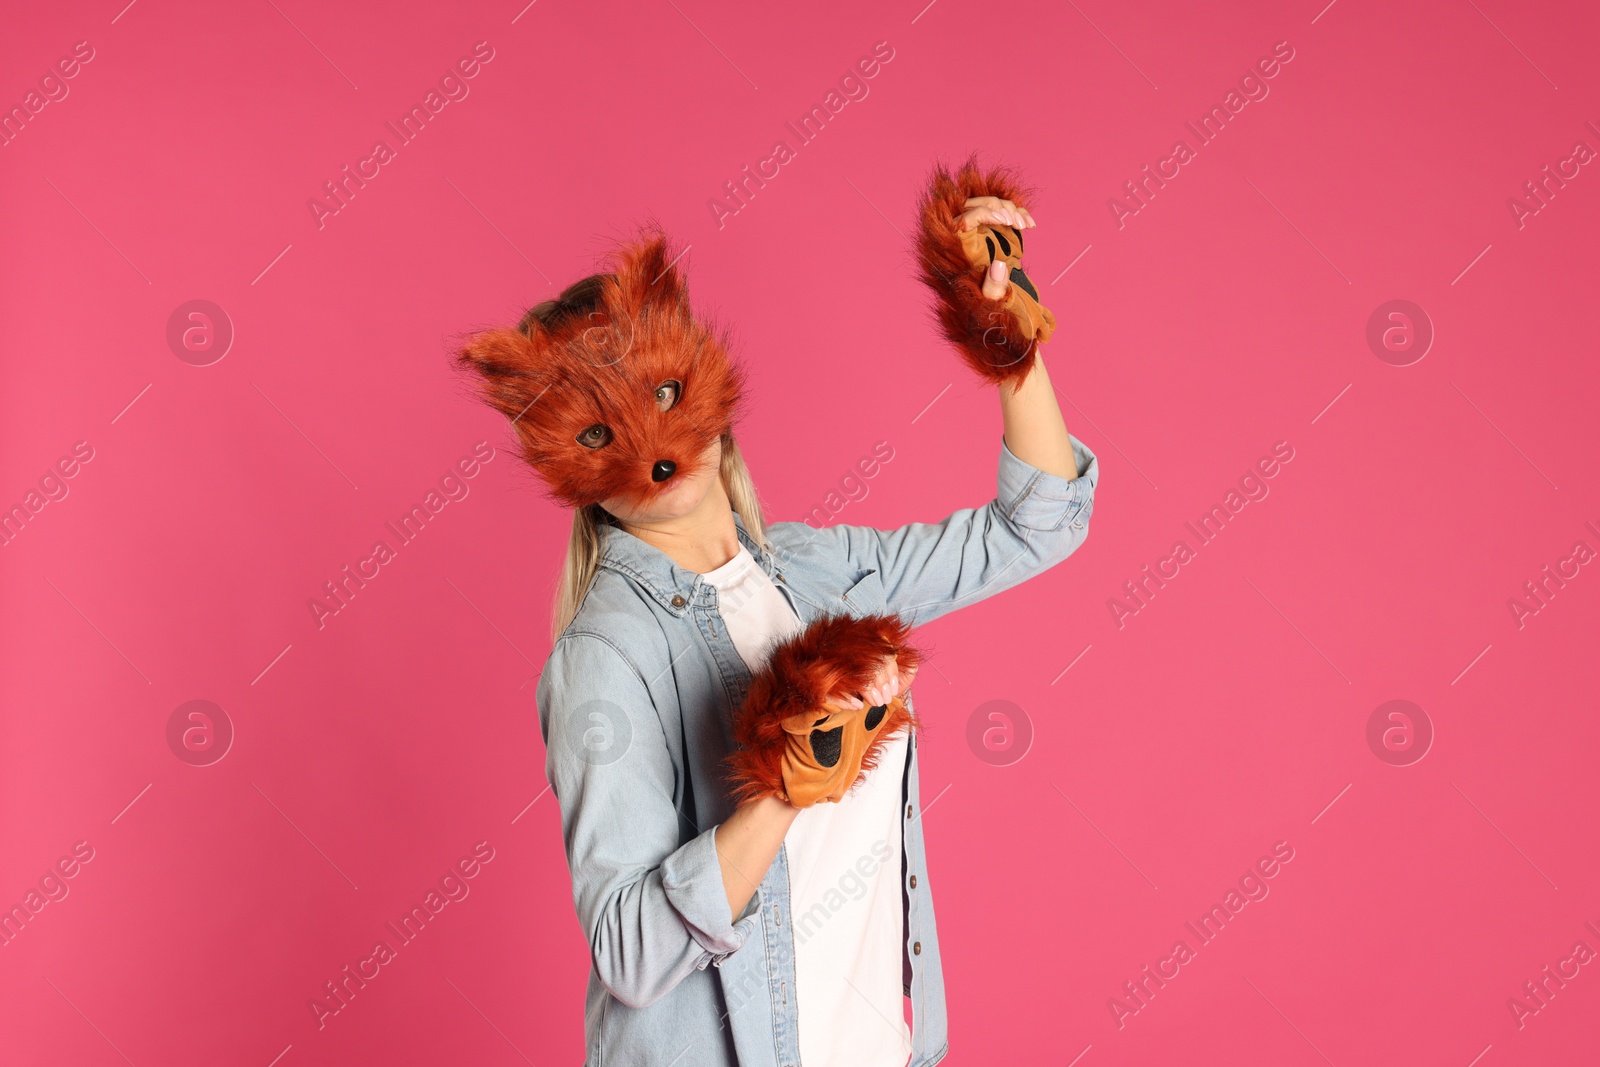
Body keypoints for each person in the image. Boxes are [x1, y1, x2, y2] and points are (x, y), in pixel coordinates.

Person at [456, 160, 1099, 1067]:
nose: (656, 451)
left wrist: (1006, 341)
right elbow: (633, 954)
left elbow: (1039, 526)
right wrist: (782, 785)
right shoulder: (606, 655)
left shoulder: (812, 571)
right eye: (600, 432)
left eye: (664, 394)